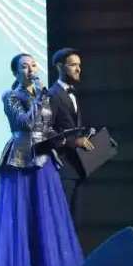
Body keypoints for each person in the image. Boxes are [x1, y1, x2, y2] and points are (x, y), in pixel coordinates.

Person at [0, 53, 91, 266]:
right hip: (21, 159)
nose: (31, 69)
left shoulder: (43, 95)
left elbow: (48, 126)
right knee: (22, 218)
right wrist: (42, 97)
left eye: (33, 64)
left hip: (44, 158)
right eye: (24, 66)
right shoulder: (10, 96)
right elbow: (25, 123)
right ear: (15, 73)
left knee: (47, 219)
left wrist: (71, 138)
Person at [47, 48, 92, 219]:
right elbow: (47, 132)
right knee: (61, 219)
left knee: (73, 220)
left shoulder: (72, 94)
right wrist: (75, 142)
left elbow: (71, 128)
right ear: (60, 67)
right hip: (61, 169)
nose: (78, 69)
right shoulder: (52, 95)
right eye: (73, 65)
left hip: (77, 168)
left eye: (79, 65)